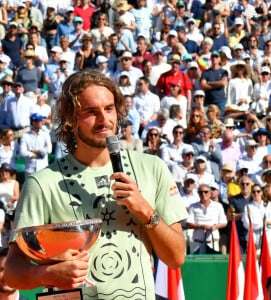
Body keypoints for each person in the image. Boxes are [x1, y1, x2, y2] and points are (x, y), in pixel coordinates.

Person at [4, 71, 187, 298]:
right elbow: (11, 272)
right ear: (70, 119)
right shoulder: (41, 183)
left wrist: (145, 211)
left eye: (109, 109)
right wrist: (48, 274)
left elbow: (176, 257)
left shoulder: (152, 168)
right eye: (91, 112)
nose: (104, 120)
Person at [186, 183, 227, 254]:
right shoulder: (193, 206)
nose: (203, 194)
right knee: (197, 264)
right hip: (197, 243)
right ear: (198, 194)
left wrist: (215, 226)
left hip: (213, 242)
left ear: (210, 193)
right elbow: (188, 224)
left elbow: (224, 222)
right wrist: (201, 226)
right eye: (200, 192)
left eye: (205, 192)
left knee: (213, 265)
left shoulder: (218, 206)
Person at [19, 113, 52, 178]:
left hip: (43, 168)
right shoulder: (25, 136)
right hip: (30, 169)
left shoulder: (45, 134)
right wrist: (32, 154)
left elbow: (49, 150)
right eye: (39, 121)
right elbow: (22, 152)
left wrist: (34, 151)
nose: (42, 122)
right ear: (33, 122)